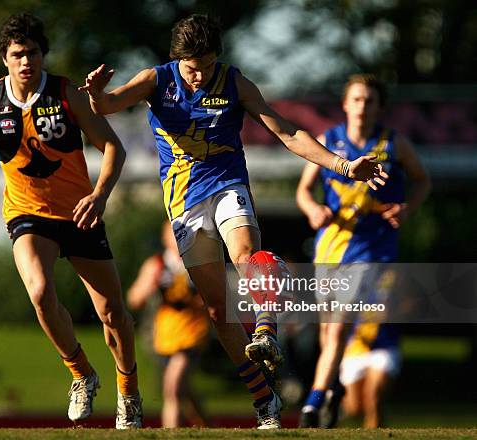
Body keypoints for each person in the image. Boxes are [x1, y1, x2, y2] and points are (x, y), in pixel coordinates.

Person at [80, 15, 386, 429]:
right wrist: (97, 95)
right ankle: (265, 400)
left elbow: (288, 132)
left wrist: (344, 166)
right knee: (217, 311)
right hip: (183, 201)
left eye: (207, 66)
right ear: (177, 61)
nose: (200, 76)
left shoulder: (234, 83)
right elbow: (109, 104)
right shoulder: (156, 79)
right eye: (192, 69)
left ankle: (265, 330)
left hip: (227, 186)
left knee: (246, 255)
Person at [0, 13, 142, 429]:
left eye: (33, 53)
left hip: (80, 213)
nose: (26, 62)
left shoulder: (67, 94)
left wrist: (99, 195)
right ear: (4, 59)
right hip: (27, 215)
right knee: (40, 292)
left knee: (112, 313)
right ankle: (81, 373)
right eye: (18, 55)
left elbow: (113, 147)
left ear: (43, 56)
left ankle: (127, 389)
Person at [295, 73, 430, 427]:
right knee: (328, 334)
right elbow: (304, 190)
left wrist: (407, 207)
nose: (362, 106)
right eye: (356, 99)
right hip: (331, 247)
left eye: (369, 100)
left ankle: (311, 404)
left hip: (373, 250)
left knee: (338, 328)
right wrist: (313, 210)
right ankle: (335, 388)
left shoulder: (393, 144)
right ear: (345, 104)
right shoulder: (330, 141)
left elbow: (422, 180)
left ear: (380, 107)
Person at [127, 221, 210, 428]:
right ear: (164, 237)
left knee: (172, 387)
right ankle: (209, 426)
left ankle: (169, 432)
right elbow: (133, 299)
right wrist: (149, 287)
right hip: (165, 336)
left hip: (192, 333)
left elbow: (215, 298)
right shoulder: (156, 264)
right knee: (184, 390)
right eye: (172, 234)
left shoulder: (198, 263)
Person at [339, 270, 402, 428]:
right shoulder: (348, 275)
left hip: (385, 346)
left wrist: (394, 311)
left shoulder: (392, 275)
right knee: (354, 408)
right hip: (355, 348)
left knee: (373, 396)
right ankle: (333, 406)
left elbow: (411, 303)